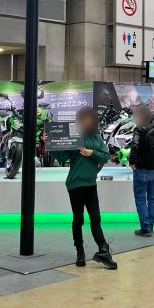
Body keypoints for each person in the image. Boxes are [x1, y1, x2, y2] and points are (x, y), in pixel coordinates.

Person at [53, 107, 116, 269]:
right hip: (75, 184)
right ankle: (80, 252)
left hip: (90, 184)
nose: (87, 121)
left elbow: (105, 156)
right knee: (78, 219)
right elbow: (62, 157)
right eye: (84, 118)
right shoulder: (74, 135)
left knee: (96, 219)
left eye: (90, 118)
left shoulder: (96, 138)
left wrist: (91, 153)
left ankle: (103, 250)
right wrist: (49, 143)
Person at [128, 105, 154, 237]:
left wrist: (132, 162)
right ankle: (150, 226)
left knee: (140, 199)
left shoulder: (139, 130)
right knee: (152, 199)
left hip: (141, 169)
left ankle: (145, 228)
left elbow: (134, 146)